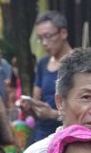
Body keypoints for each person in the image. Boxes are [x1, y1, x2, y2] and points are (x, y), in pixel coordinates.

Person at [21, 11, 72, 144]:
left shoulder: (77, 63)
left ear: (63, 34)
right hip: (42, 135)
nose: (44, 43)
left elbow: (83, 109)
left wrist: (54, 115)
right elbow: (37, 99)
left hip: (68, 134)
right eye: (40, 38)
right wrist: (29, 107)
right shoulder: (43, 63)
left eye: (48, 36)